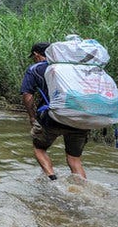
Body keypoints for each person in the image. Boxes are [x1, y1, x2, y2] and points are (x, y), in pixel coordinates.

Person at [21, 42, 89, 180]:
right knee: (74, 159)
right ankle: (82, 188)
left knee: (39, 148)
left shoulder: (36, 69)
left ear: (36, 54)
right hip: (80, 118)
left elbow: (27, 95)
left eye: (34, 57)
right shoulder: (74, 68)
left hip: (53, 118)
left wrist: (32, 117)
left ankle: (52, 180)